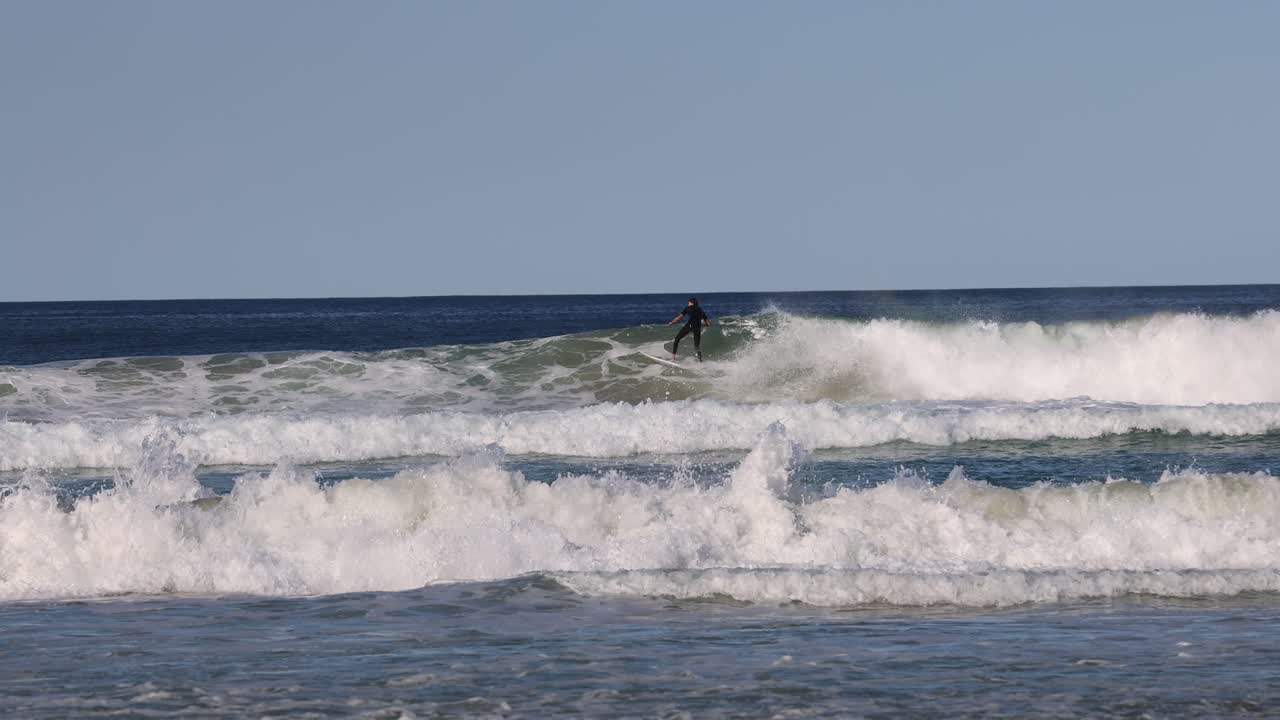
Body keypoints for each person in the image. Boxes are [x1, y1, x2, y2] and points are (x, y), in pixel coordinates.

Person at [667, 297, 712, 361]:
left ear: (691, 303)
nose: (688, 304)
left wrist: (671, 322)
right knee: (697, 346)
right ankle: (700, 360)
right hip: (697, 328)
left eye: (688, 302)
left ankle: (673, 358)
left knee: (677, 339)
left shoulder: (688, 308)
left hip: (690, 326)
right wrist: (705, 325)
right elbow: (708, 323)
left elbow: (679, 318)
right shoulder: (700, 310)